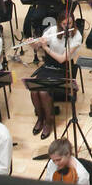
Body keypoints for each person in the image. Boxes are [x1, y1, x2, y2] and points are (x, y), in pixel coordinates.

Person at [27, 10, 82, 140]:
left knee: (44, 92)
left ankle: (49, 121)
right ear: (59, 23)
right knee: (34, 89)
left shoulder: (77, 36)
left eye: (69, 23)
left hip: (64, 68)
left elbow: (63, 59)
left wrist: (46, 48)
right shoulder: (52, 30)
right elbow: (38, 46)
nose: (67, 26)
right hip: (49, 64)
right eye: (64, 24)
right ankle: (41, 118)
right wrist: (33, 44)